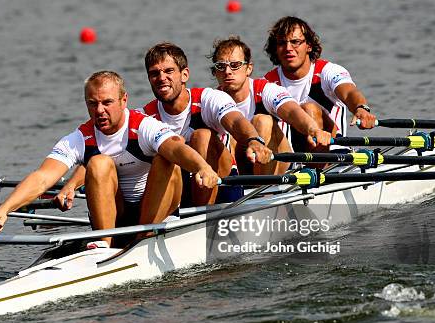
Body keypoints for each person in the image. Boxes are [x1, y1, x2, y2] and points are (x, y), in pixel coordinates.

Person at [0, 71, 219, 248]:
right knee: (97, 162)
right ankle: (104, 244)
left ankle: (144, 237)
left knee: (166, 157)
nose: (99, 110)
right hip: (117, 214)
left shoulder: (144, 126)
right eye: (93, 103)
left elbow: (176, 149)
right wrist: (5, 209)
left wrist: (202, 167)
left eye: (107, 102)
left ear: (123, 100)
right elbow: (42, 177)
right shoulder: (80, 137)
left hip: (157, 211)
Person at [141, 42, 273, 206]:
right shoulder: (145, 116)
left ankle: (203, 216)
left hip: (223, 187)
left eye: (169, 71)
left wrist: (253, 140)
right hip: (181, 190)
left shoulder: (209, 99)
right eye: (154, 74)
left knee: (201, 135)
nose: (161, 78)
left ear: (184, 75)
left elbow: (235, 120)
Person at [209, 36, 332, 175]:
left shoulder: (266, 89)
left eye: (235, 65)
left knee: (262, 120)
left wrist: (313, 129)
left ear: (249, 68)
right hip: (238, 165)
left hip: (278, 165)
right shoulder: (211, 99)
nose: (227, 71)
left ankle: (262, 190)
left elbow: (292, 111)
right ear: (215, 72)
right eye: (221, 66)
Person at [263, 16, 377, 152]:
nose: (288, 48)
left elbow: (349, 92)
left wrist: (361, 107)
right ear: (275, 49)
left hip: (332, 156)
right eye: (282, 43)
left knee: (309, 109)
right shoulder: (268, 82)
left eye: (295, 42)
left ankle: (317, 165)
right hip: (291, 160)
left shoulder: (327, 71)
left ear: (309, 46)